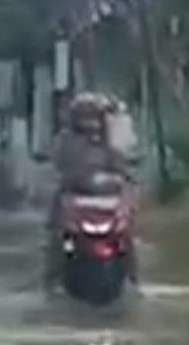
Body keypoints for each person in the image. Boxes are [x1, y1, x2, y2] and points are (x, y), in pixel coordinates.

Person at [46, 92, 135, 286]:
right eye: (84, 116)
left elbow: (122, 164)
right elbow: (59, 165)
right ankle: (51, 278)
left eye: (92, 116)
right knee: (58, 235)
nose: (89, 121)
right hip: (76, 197)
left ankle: (134, 278)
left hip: (107, 201)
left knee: (127, 236)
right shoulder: (65, 140)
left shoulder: (110, 140)